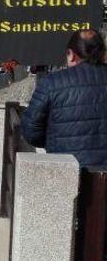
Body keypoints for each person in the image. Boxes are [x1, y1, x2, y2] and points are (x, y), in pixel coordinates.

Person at [23, 29, 107, 168]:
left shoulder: (52, 83)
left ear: (71, 55)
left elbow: (31, 132)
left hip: (67, 173)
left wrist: (56, 138)